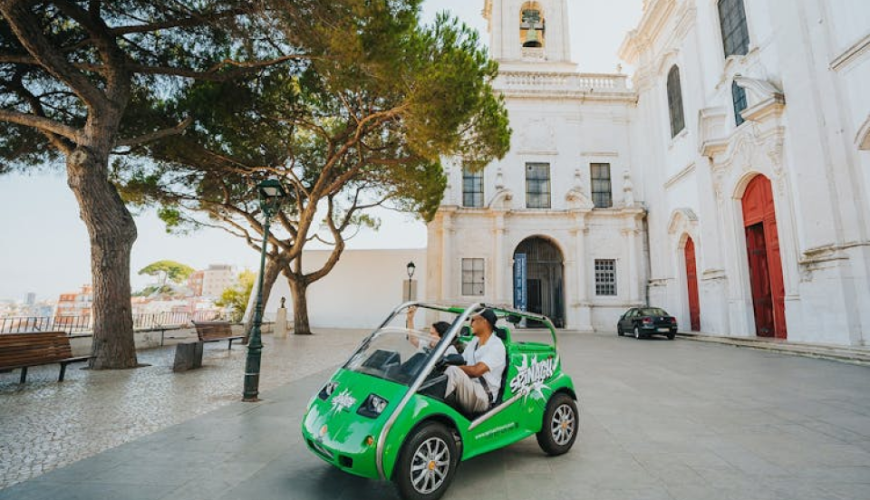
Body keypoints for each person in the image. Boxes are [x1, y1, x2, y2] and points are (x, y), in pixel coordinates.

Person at [444, 308, 506, 414]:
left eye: (473, 320)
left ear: (484, 322)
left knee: (453, 371)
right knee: (449, 351)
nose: (470, 324)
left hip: (483, 396)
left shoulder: (496, 346)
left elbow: (476, 371)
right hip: (470, 388)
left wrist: (448, 366)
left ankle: (437, 408)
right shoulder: (475, 341)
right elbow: (463, 360)